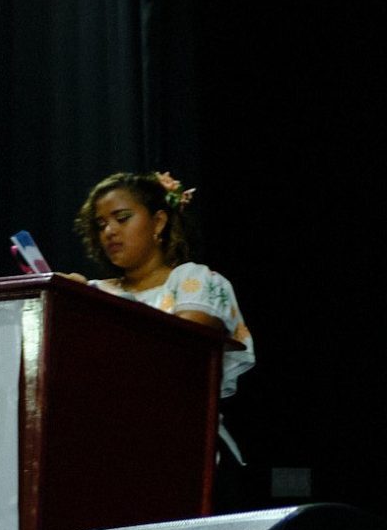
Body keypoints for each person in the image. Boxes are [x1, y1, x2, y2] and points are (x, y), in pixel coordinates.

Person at [76, 170, 255, 401]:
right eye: (101, 225)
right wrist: (69, 298)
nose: (109, 231)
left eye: (122, 218)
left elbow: (179, 355)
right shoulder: (94, 290)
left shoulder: (193, 279)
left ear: (158, 222)